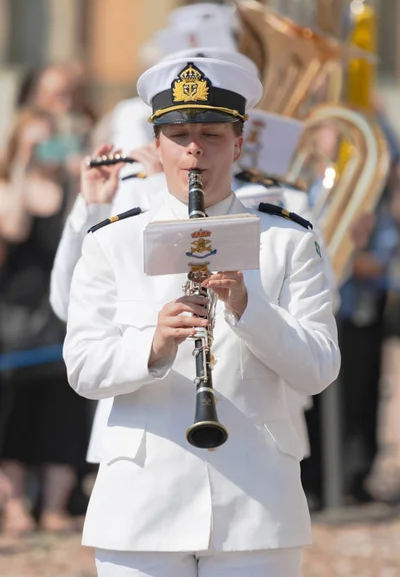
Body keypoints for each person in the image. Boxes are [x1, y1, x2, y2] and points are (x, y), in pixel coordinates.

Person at [63, 55, 340, 576]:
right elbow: (82, 368)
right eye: (178, 134)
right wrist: (154, 345)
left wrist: (249, 309)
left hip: (256, 501)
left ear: (238, 144)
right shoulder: (112, 240)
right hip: (142, 501)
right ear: (158, 146)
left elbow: (319, 369)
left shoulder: (287, 240)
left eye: (211, 135)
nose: (193, 148)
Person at [0, 108, 89, 534]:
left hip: (60, 314)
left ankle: (54, 507)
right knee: (15, 413)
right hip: (15, 316)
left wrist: (75, 178)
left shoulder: (67, 186)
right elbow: (14, 229)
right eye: (33, 142)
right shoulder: (8, 189)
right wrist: (20, 169)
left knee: (63, 410)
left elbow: (78, 235)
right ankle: (15, 506)